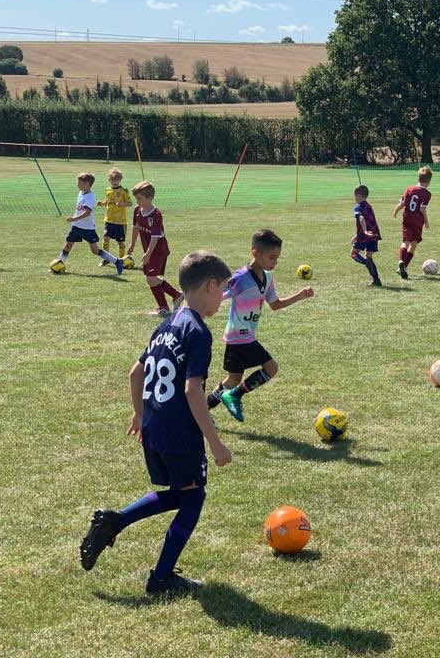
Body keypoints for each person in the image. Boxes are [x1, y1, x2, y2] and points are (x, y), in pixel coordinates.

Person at [79, 250, 234, 596]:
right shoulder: (198, 332)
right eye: (223, 290)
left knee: (180, 493)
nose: (223, 298)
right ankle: (161, 578)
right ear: (210, 286)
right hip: (180, 433)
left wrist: (139, 413)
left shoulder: (166, 325)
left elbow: (135, 373)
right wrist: (215, 441)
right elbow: (192, 390)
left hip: (154, 427)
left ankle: (115, 521)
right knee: (192, 500)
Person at [207, 229, 314, 423]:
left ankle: (201, 411)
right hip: (240, 336)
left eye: (277, 258)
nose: (275, 262)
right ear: (255, 253)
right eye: (272, 257)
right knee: (271, 368)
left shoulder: (268, 277)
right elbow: (218, 294)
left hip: (240, 337)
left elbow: (275, 304)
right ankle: (235, 395)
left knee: (233, 379)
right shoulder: (240, 278)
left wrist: (299, 296)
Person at [127, 181, 182, 318]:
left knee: (151, 278)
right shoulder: (137, 210)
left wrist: (147, 254)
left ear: (150, 198)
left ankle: (164, 308)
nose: (137, 201)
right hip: (150, 251)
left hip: (158, 250)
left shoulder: (156, 214)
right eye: (136, 198)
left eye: (140, 198)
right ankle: (176, 295)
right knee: (152, 278)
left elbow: (155, 237)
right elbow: (135, 228)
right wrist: (132, 245)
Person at [54, 172, 124, 276]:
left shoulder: (90, 197)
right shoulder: (81, 193)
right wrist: (75, 221)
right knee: (68, 245)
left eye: (79, 183)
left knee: (95, 250)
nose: (77, 185)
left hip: (88, 228)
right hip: (76, 226)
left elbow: (87, 213)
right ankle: (59, 265)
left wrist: (73, 219)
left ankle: (117, 261)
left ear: (87, 184)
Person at [393, 166, 432, 279]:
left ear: (418, 178)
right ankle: (404, 266)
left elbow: (402, 204)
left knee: (405, 242)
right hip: (418, 223)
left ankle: (401, 261)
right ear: (429, 181)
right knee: (414, 244)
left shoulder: (409, 189)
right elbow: (422, 209)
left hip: (407, 220)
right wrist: (426, 222)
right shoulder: (427, 194)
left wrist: (395, 211)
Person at [96, 167, 131, 265]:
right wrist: (102, 203)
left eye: (117, 180)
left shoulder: (124, 191)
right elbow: (108, 202)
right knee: (106, 238)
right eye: (113, 180)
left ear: (120, 180)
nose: (115, 182)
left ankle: (121, 260)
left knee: (120, 242)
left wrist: (121, 204)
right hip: (109, 220)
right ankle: (105, 258)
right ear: (109, 180)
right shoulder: (108, 190)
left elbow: (129, 203)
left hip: (120, 221)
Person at [350, 184, 382, 287]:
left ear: (358, 195)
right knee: (369, 256)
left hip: (366, 235)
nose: (354, 198)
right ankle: (376, 280)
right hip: (374, 234)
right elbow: (370, 221)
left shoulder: (358, 207)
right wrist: (357, 235)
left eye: (355, 196)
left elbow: (362, 218)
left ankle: (365, 263)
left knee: (353, 253)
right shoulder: (369, 206)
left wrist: (364, 232)